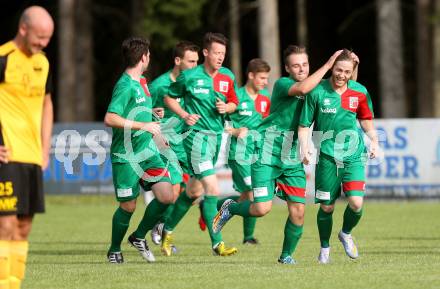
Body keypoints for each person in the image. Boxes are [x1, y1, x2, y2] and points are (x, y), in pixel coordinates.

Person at [213, 45, 343, 264]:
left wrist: (350, 65)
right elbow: (302, 89)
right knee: (261, 209)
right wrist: (329, 65)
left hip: (291, 157)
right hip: (266, 152)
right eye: (296, 65)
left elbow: (345, 85)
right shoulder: (283, 84)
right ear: (287, 68)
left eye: (304, 64)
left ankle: (285, 256)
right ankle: (231, 207)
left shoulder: (318, 87)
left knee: (299, 212)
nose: (301, 69)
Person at [161, 32, 238, 256]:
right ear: (206, 53)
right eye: (216, 53)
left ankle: (167, 229)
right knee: (213, 188)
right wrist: (185, 115)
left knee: (193, 191)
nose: (220, 57)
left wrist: (227, 108)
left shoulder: (227, 76)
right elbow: (168, 98)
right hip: (196, 138)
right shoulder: (190, 76)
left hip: (215, 139)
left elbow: (234, 102)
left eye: (223, 53)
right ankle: (217, 244)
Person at [298, 49, 378, 264]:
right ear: (332, 68)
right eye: (339, 70)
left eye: (347, 71)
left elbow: (366, 119)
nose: (342, 75)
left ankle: (346, 233)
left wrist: (375, 142)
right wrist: (303, 148)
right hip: (326, 157)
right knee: (327, 207)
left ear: (352, 72)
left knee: (356, 203)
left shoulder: (359, 92)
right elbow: (304, 124)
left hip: (353, 154)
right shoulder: (317, 92)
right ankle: (325, 248)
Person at [104, 37, 174, 264]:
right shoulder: (125, 86)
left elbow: (136, 111)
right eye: (149, 55)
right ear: (143, 57)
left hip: (146, 151)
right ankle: (114, 249)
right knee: (129, 205)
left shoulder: (143, 82)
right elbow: (110, 118)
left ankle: (138, 236)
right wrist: (143, 125)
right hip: (125, 156)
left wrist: (151, 114)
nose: (150, 58)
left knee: (166, 195)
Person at [0, 6, 54, 288]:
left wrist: (45, 148)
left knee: (23, 228)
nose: (43, 44)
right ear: (23, 29)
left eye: (47, 39)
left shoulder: (42, 63)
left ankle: (13, 284)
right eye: (39, 37)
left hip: (32, 157)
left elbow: (47, 103)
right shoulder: (3, 58)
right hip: (6, 156)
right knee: (5, 226)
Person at [213, 58, 271, 245]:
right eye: (262, 78)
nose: (265, 82)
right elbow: (221, 122)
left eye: (267, 78)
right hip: (238, 154)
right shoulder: (236, 96)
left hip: (257, 153)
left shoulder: (265, 99)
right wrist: (236, 131)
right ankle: (248, 237)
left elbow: (268, 123)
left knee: (246, 197)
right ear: (251, 75)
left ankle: (214, 205)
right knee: (253, 193)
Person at [148, 41, 200, 246]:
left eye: (197, 62)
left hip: (188, 144)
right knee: (175, 189)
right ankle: (159, 229)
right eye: (191, 61)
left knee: (194, 193)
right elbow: (141, 111)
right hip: (165, 144)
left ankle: (161, 226)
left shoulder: (197, 83)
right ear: (177, 61)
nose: (195, 66)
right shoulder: (159, 86)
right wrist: (152, 114)